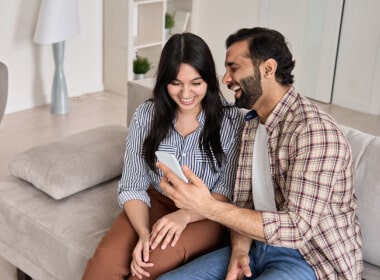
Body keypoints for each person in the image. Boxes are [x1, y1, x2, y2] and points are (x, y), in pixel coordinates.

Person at [157, 27, 363, 280]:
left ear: (268, 69)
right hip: (257, 247)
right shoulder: (252, 124)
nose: (226, 79)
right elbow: (245, 203)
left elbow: (298, 229)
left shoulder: (314, 131)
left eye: (234, 68)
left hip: (311, 260)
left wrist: (208, 206)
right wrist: (240, 251)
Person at [82, 32, 244, 280]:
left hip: (208, 212)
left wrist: (184, 216)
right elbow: (133, 185)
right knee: (104, 262)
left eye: (196, 83)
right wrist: (144, 233)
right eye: (176, 83)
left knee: (149, 264)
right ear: (164, 81)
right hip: (156, 199)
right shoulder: (147, 114)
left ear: (209, 81)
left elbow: (224, 193)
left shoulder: (231, 121)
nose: (185, 93)